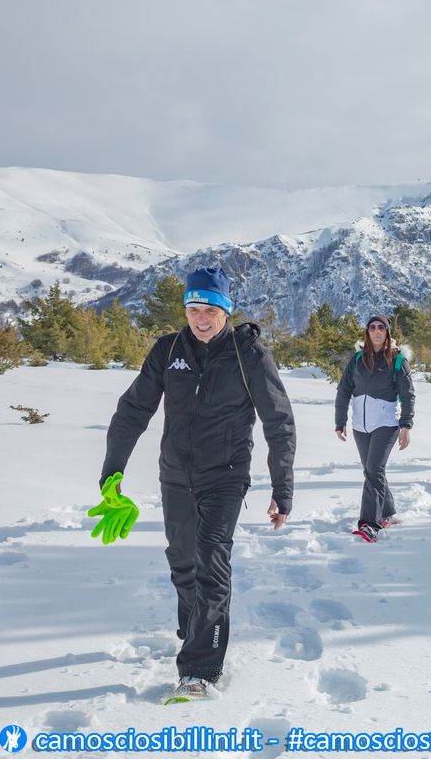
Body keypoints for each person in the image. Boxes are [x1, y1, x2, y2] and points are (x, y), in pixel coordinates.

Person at [96, 267, 296, 703]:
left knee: (210, 564)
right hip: (175, 475)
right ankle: (194, 629)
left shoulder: (250, 356)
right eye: (192, 309)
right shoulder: (168, 350)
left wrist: (282, 489)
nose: (200, 319)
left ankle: (200, 670)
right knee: (182, 563)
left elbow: (279, 422)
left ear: (225, 311)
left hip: (224, 477)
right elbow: (132, 411)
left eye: (209, 310)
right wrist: (112, 472)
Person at [335, 315, 416, 542]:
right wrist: (339, 421)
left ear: (387, 333)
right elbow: (343, 390)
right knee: (372, 471)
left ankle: (370, 523)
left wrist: (405, 426)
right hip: (361, 426)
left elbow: (408, 395)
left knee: (373, 471)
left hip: (387, 424)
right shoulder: (358, 359)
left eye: (381, 328)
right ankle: (387, 511)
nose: (377, 331)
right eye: (373, 327)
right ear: (367, 332)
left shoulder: (398, 360)